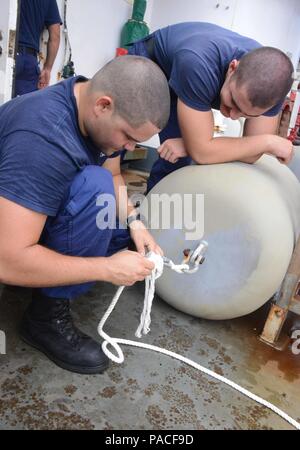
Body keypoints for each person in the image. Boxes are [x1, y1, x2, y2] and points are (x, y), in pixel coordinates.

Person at [0, 55, 170, 374]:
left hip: (23, 211)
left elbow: (117, 174)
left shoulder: (89, 105)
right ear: (103, 105)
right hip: (7, 235)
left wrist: (137, 225)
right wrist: (106, 269)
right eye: (129, 137)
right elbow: (5, 259)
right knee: (96, 188)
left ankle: (45, 269)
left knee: (119, 227)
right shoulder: (44, 138)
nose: (130, 146)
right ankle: (44, 318)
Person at [128, 22, 295, 191]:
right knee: (118, 138)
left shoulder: (273, 88)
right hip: (151, 63)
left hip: (190, 73)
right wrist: (268, 142)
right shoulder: (198, 63)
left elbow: (250, 154)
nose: (234, 115)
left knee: (177, 160)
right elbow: (203, 152)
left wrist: (193, 146)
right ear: (232, 68)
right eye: (234, 102)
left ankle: (150, 213)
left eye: (247, 114)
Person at [15, 0, 62, 96]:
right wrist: (47, 68)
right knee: (22, 108)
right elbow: (55, 36)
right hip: (29, 60)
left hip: (6, 50)